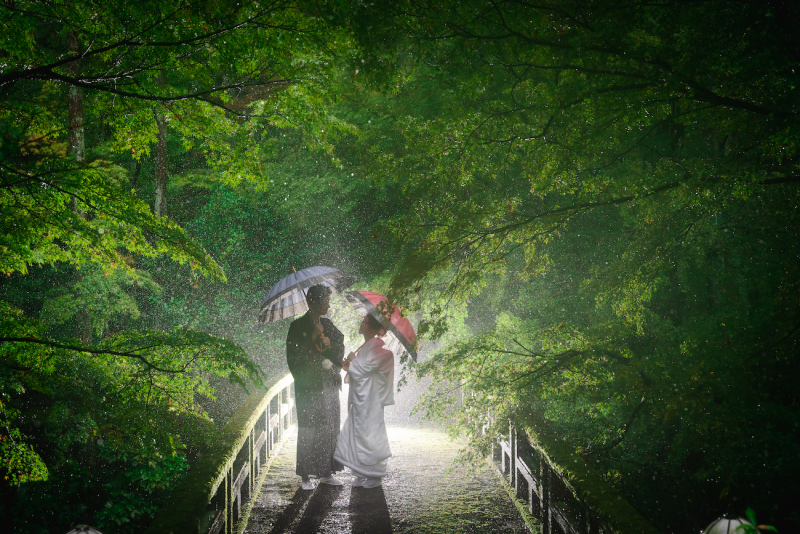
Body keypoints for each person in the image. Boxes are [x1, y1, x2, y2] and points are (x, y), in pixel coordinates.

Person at [286, 284, 345, 490]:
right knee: (309, 428)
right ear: (314, 302)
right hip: (308, 388)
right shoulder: (297, 327)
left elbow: (339, 347)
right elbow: (293, 358)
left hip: (327, 385)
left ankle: (326, 472)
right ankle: (304, 475)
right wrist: (311, 337)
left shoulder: (327, 324)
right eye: (326, 301)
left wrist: (330, 345)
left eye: (328, 300)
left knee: (328, 428)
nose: (328, 304)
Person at [333, 313, 395, 489]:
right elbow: (359, 370)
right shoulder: (367, 346)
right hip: (362, 398)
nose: (362, 324)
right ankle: (359, 472)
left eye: (365, 322)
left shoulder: (376, 347)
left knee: (372, 433)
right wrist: (349, 366)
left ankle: (375, 475)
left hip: (371, 398)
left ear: (374, 328)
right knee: (355, 432)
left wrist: (353, 362)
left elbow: (366, 368)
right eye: (363, 321)